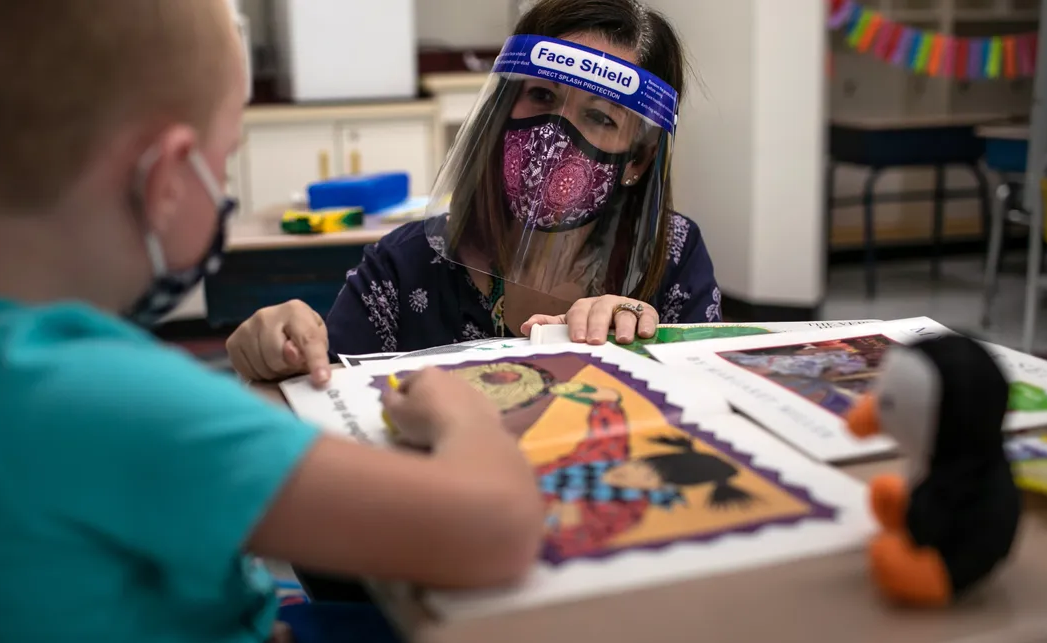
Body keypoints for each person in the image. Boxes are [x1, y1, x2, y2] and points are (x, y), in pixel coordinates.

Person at [0, 1, 544, 643]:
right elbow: (497, 530)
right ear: (165, 178)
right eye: (224, 163)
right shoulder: (107, 399)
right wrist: (465, 415)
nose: (222, 188)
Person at [227, 0, 721, 385]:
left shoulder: (671, 256)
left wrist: (647, 344)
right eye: (541, 96)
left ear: (636, 159)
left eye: (598, 117)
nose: (553, 137)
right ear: (502, 108)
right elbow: (319, 402)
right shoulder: (407, 267)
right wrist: (280, 358)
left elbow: (714, 410)